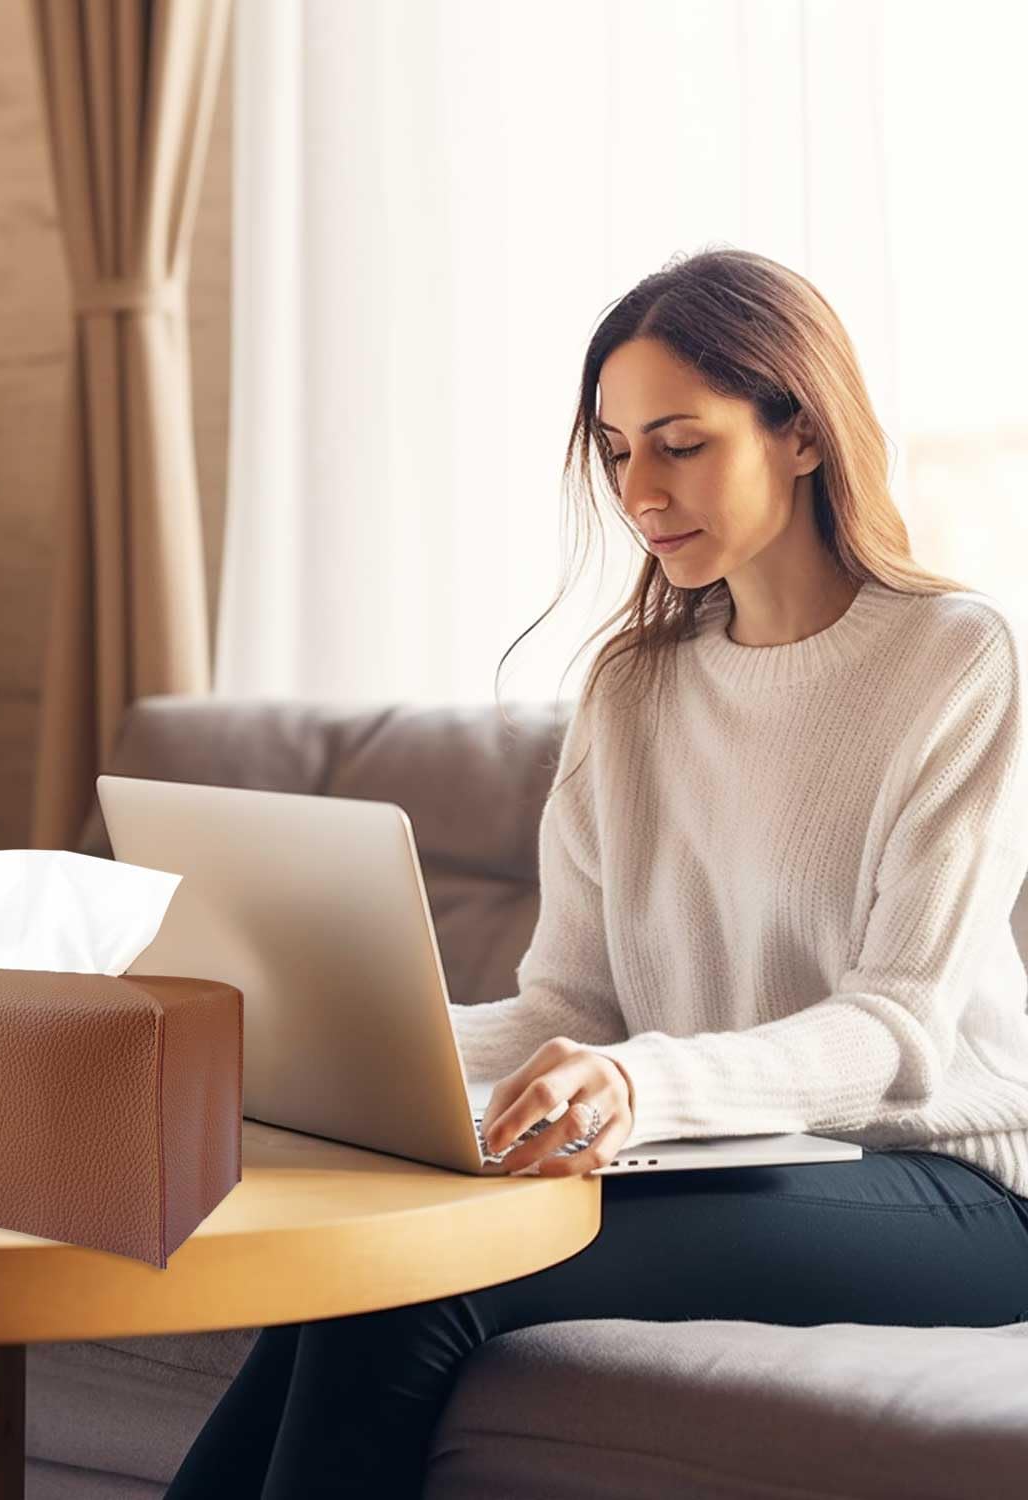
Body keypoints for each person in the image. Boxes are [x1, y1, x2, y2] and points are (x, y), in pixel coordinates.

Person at [163, 247, 1028, 1499]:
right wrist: (341, 1044)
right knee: (353, 1261)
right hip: (734, 1152)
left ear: (800, 432)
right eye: (619, 450)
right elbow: (571, 1007)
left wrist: (637, 1083)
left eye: (681, 442)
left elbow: (895, 1029)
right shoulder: (634, 688)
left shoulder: (955, 657)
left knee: (411, 1291)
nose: (640, 489)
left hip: (957, 1186)